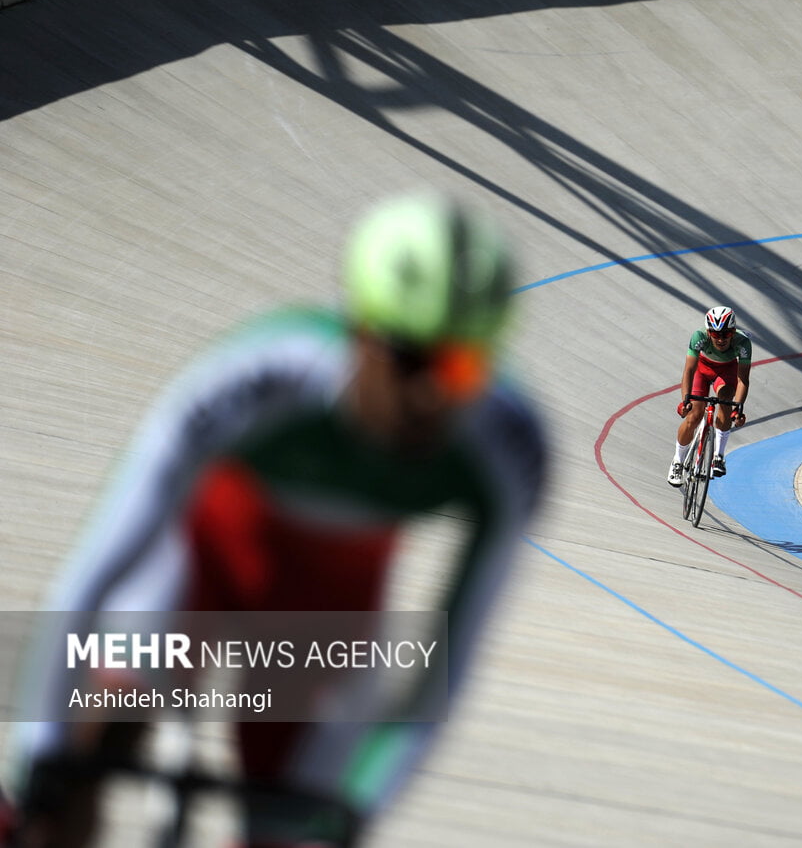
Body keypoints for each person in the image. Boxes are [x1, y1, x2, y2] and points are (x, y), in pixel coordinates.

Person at [3, 193, 546, 847]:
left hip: (327, 616)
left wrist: (358, 811)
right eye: (411, 358)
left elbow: (446, 669)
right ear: (360, 333)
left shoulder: (509, 450)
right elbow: (86, 583)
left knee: (294, 831)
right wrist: (37, 758)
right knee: (84, 748)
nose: (434, 392)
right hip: (199, 558)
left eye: (462, 367)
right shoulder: (259, 374)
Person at [667, 306, 750, 486]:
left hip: (726, 372)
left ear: (733, 332)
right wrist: (685, 400)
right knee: (694, 415)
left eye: (726, 334)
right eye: (715, 334)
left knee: (727, 402)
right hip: (701, 371)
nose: (720, 339)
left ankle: (718, 456)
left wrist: (738, 408)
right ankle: (678, 461)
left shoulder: (743, 342)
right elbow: (689, 370)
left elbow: (743, 379)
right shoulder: (699, 337)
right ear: (708, 332)